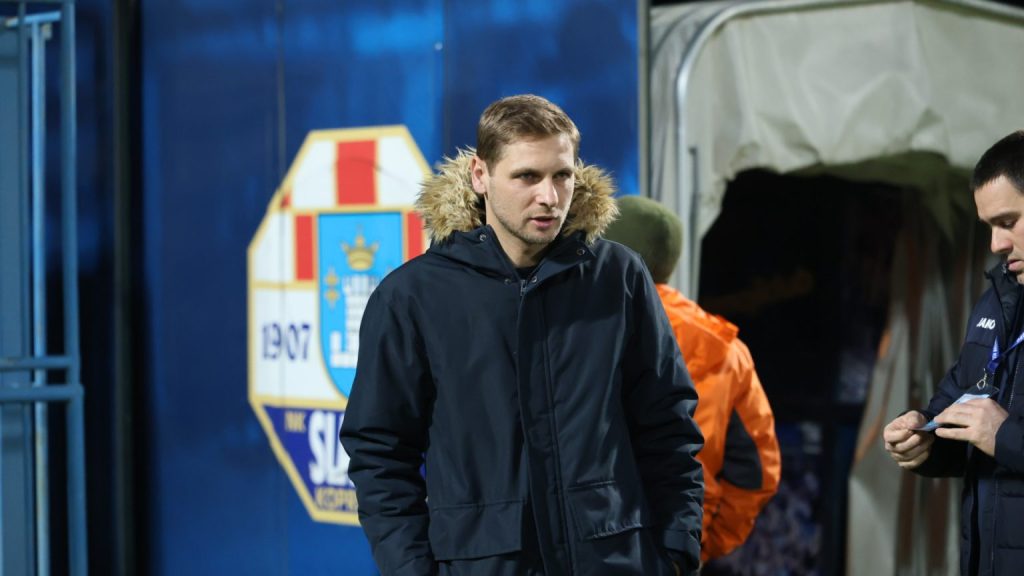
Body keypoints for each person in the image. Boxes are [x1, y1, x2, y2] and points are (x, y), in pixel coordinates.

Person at [339, 94, 705, 576]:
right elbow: (380, 453)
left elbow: (667, 425)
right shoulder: (411, 297)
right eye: (527, 176)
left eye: (562, 175)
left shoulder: (619, 277)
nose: (549, 197)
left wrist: (677, 548)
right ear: (480, 175)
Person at [603, 195, 781, 563]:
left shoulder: (576, 328)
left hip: (588, 543)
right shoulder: (727, 350)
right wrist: (702, 541)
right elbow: (757, 473)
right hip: (676, 546)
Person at [883, 130, 1024, 576]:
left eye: (1008, 222)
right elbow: (958, 405)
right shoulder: (997, 300)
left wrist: (1005, 437)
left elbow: (996, 434)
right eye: (989, 226)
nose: (996, 244)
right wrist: (924, 440)